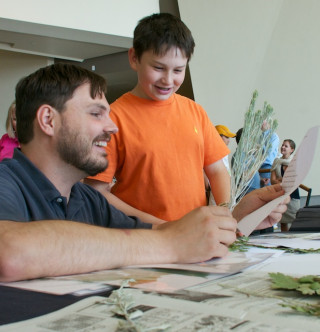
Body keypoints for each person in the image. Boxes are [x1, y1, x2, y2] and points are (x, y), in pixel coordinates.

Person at [0, 63, 289, 282]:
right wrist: (168, 244)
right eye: (96, 113)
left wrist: (238, 217)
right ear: (48, 120)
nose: (112, 127)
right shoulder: (6, 181)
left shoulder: (87, 199)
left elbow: (170, 233)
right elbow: (8, 251)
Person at [84, 13, 231, 224]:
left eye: (178, 70)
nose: (168, 80)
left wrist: (225, 211)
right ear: (134, 58)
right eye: (158, 68)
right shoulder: (113, 119)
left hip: (196, 238)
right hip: (144, 241)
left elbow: (217, 170)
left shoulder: (195, 111)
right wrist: (162, 228)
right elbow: (97, 192)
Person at [271, 139, 300, 231]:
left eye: (286, 146)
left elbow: (291, 181)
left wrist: (279, 180)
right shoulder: (276, 162)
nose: (283, 147)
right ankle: (284, 241)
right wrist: (282, 181)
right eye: (282, 145)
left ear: (292, 150)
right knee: (283, 222)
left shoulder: (294, 162)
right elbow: (272, 180)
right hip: (281, 195)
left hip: (292, 195)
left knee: (295, 220)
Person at [259, 120, 280, 187]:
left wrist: (260, 146)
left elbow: (268, 151)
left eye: (263, 122)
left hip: (267, 166)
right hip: (259, 166)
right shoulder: (261, 136)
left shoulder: (274, 136)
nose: (261, 124)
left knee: (266, 189)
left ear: (268, 124)